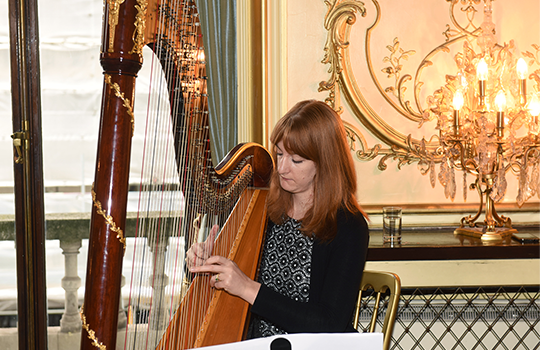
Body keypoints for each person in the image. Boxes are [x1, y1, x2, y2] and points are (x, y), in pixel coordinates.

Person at [189, 99, 369, 338]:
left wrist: (248, 288)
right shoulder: (264, 211)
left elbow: (328, 322)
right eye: (279, 154)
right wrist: (205, 262)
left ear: (325, 163)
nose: (282, 168)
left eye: (296, 160)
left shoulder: (349, 226)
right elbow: (226, 286)